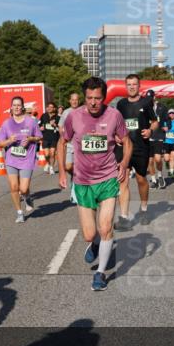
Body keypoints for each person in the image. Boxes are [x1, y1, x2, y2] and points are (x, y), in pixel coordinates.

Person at [57, 77, 130, 291]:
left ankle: (100, 274)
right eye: (89, 98)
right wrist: (62, 170)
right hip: (82, 180)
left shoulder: (114, 115)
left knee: (106, 226)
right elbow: (62, 142)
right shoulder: (74, 117)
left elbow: (126, 141)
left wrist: (124, 163)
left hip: (107, 178)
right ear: (84, 98)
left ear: (104, 97)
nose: (93, 103)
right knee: (90, 234)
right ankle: (96, 243)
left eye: (97, 98)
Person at [114, 74, 158, 230]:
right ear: (125, 86)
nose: (132, 87)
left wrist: (150, 131)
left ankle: (144, 209)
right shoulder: (120, 104)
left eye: (134, 84)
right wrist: (115, 135)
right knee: (123, 179)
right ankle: (124, 217)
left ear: (139, 86)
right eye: (129, 84)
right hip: (124, 147)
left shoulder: (146, 102)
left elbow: (155, 122)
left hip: (141, 147)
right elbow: (116, 124)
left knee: (141, 179)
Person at [0, 96, 42, 223]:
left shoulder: (31, 122)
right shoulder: (7, 123)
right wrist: (9, 141)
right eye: (14, 105)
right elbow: (1, 144)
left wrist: (30, 139)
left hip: (27, 159)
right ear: (11, 108)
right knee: (14, 187)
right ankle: (19, 213)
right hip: (11, 160)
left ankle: (27, 197)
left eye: (19, 105)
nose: (17, 107)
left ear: (22, 107)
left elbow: (39, 137)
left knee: (23, 189)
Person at [58, 92, 81, 203]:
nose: (74, 101)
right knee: (68, 167)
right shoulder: (66, 112)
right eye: (72, 99)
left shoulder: (83, 111)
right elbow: (60, 126)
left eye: (76, 99)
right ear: (69, 101)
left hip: (80, 145)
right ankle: (74, 177)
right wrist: (63, 138)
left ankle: (75, 191)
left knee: (79, 169)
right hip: (69, 144)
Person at [147, 92, 170, 189]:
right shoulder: (144, 108)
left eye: (150, 97)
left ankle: (160, 176)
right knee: (150, 161)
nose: (149, 100)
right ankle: (153, 179)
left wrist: (167, 126)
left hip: (159, 135)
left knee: (157, 159)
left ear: (154, 97)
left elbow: (168, 119)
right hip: (147, 137)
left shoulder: (162, 107)